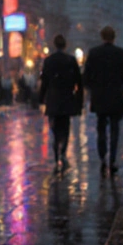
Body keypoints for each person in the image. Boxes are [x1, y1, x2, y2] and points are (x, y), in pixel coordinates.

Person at [82, 25, 123, 174]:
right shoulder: (120, 53)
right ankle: (112, 158)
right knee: (115, 129)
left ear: (102, 37)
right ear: (114, 37)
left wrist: (93, 88)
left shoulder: (94, 53)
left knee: (101, 127)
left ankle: (102, 156)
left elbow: (86, 76)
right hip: (116, 95)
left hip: (100, 96)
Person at [38, 34, 83, 171]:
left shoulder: (48, 61)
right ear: (65, 45)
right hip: (66, 98)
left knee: (55, 128)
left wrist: (41, 99)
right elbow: (78, 81)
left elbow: (44, 82)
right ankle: (63, 152)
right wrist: (79, 101)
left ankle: (56, 153)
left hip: (53, 99)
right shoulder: (70, 60)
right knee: (65, 127)